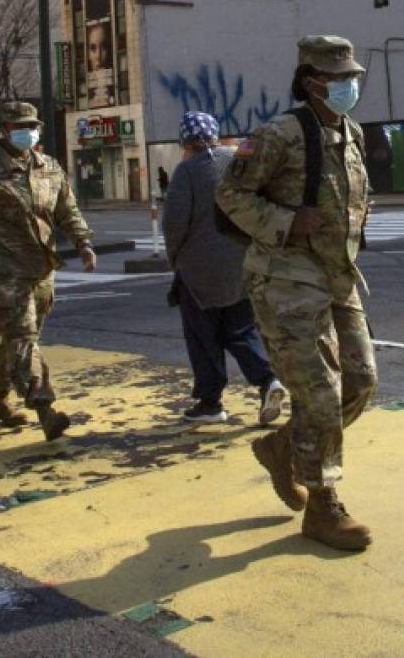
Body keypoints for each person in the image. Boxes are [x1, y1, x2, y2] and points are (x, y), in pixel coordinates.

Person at [216, 36, 377, 551]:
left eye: (353, 77)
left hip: (337, 276)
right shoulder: (279, 134)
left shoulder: (350, 132)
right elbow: (231, 194)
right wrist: (286, 220)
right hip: (285, 279)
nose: (350, 86)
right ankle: (324, 504)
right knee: (321, 395)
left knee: (361, 380)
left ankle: (285, 446)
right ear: (312, 81)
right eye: (340, 79)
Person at [0, 101, 96, 441]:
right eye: (17, 127)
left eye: (30, 126)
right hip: (1, 272)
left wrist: (83, 244)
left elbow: (67, 211)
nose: (25, 132)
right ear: (3, 132)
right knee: (23, 338)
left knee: (19, 340)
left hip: (41, 269)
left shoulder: (50, 168)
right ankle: (45, 409)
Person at [163, 111, 285, 425]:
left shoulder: (187, 171)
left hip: (199, 270)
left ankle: (210, 402)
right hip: (243, 263)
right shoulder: (236, 161)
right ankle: (268, 380)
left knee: (203, 336)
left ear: (185, 143)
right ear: (215, 134)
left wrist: (174, 258)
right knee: (241, 329)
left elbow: (174, 223)